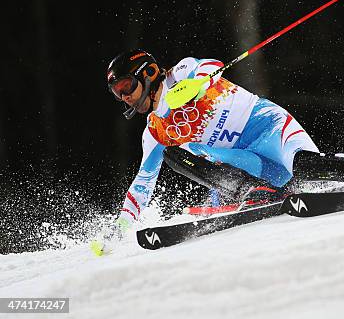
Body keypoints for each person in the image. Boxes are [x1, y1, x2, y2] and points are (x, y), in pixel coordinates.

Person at [104, 49, 319, 236]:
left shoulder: (179, 74)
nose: (124, 97)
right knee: (177, 153)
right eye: (117, 93)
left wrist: (197, 85)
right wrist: (122, 225)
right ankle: (252, 191)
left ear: (148, 73)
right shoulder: (154, 132)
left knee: (308, 166)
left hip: (269, 128)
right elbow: (143, 182)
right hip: (251, 165)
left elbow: (211, 65)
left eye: (126, 86)